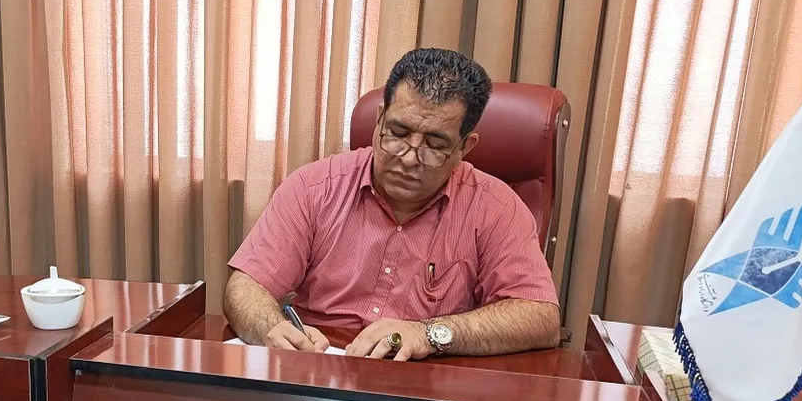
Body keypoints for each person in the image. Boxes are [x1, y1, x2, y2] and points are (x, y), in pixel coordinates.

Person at [224, 47, 560, 360]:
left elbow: (540, 317)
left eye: (434, 145)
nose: (409, 159)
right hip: (321, 367)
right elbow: (246, 286)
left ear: (464, 147)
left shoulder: (496, 207)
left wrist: (429, 334)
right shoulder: (314, 187)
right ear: (380, 119)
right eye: (398, 133)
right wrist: (271, 328)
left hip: (425, 381)